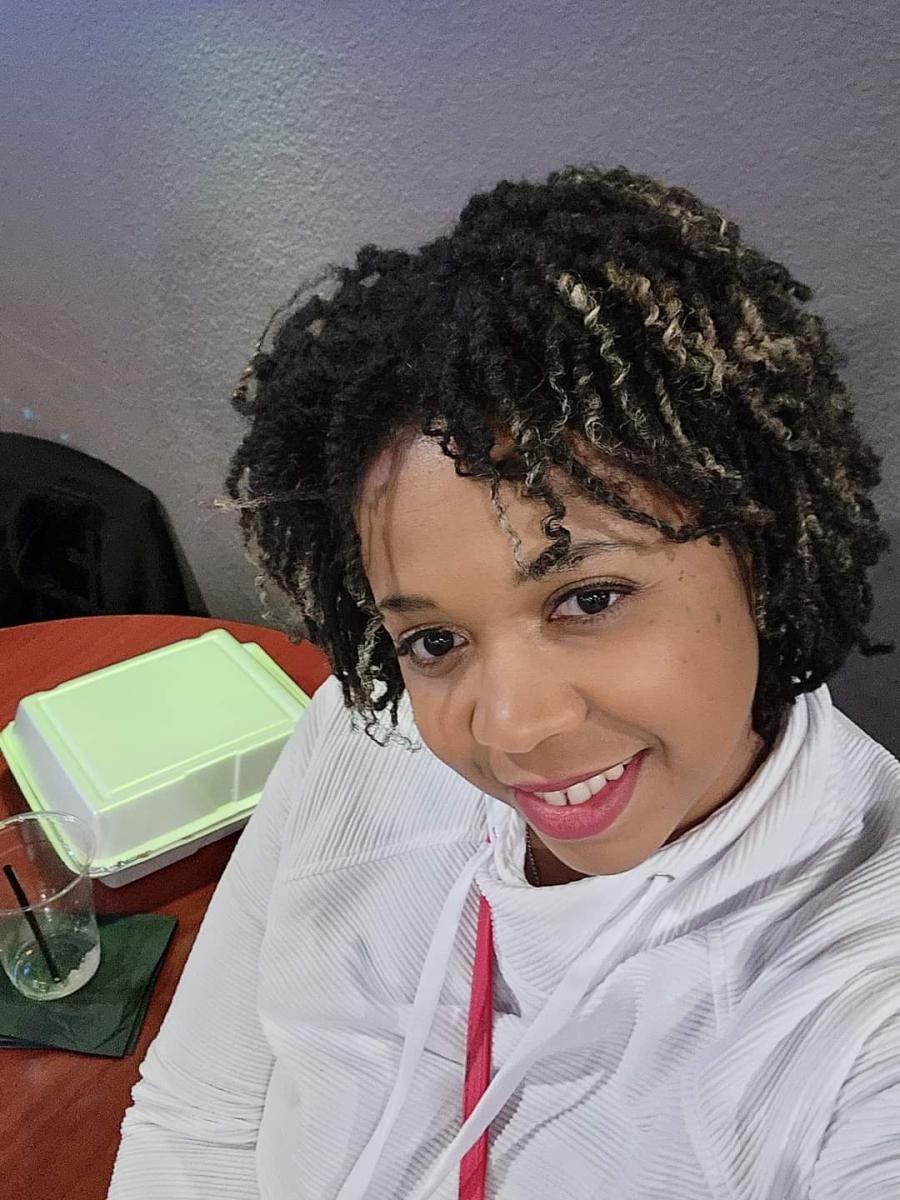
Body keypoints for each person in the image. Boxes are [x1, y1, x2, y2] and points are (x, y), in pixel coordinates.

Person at [108, 164, 900, 1199]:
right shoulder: (359, 736)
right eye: (434, 639)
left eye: (589, 598)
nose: (514, 728)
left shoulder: (861, 1012)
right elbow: (198, 1119)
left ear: (760, 551)